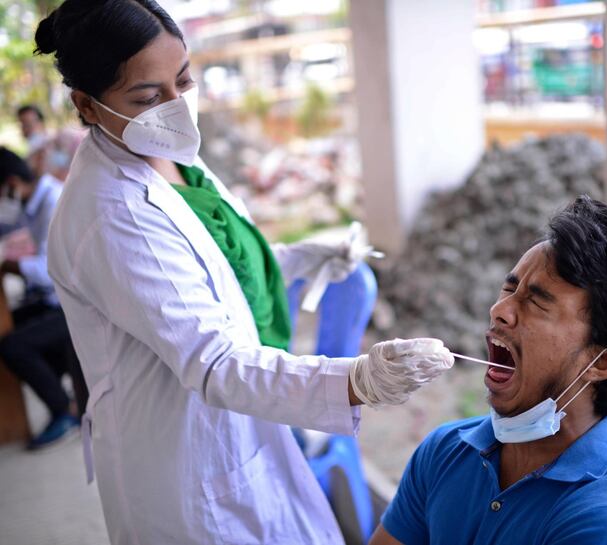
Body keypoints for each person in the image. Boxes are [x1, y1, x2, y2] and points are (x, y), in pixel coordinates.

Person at [35, 1, 454, 544]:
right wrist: (356, 380)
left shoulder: (170, 153)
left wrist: (296, 257)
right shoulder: (111, 216)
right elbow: (214, 363)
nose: (175, 107)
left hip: (244, 432)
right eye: (147, 96)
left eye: (183, 81)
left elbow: (215, 269)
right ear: (87, 107)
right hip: (187, 460)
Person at [370, 196, 607, 545]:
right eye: (509, 288)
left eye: (535, 302)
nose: (500, 310)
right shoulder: (446, 450)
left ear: (603, 362)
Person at [0, 147, 81, 449]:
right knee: (11, 323)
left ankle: (65, 410)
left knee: (13, 346)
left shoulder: (53, 200)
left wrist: (10, 265)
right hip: (56, 299)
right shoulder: (33, 200)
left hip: (75, 305)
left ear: (10, 183)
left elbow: (51, 271)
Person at [17, 104, 83, 181]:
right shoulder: (33, 150)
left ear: (40, 123)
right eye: (23, 124)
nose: (25, 128)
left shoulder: (51, 142)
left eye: (29, 123)